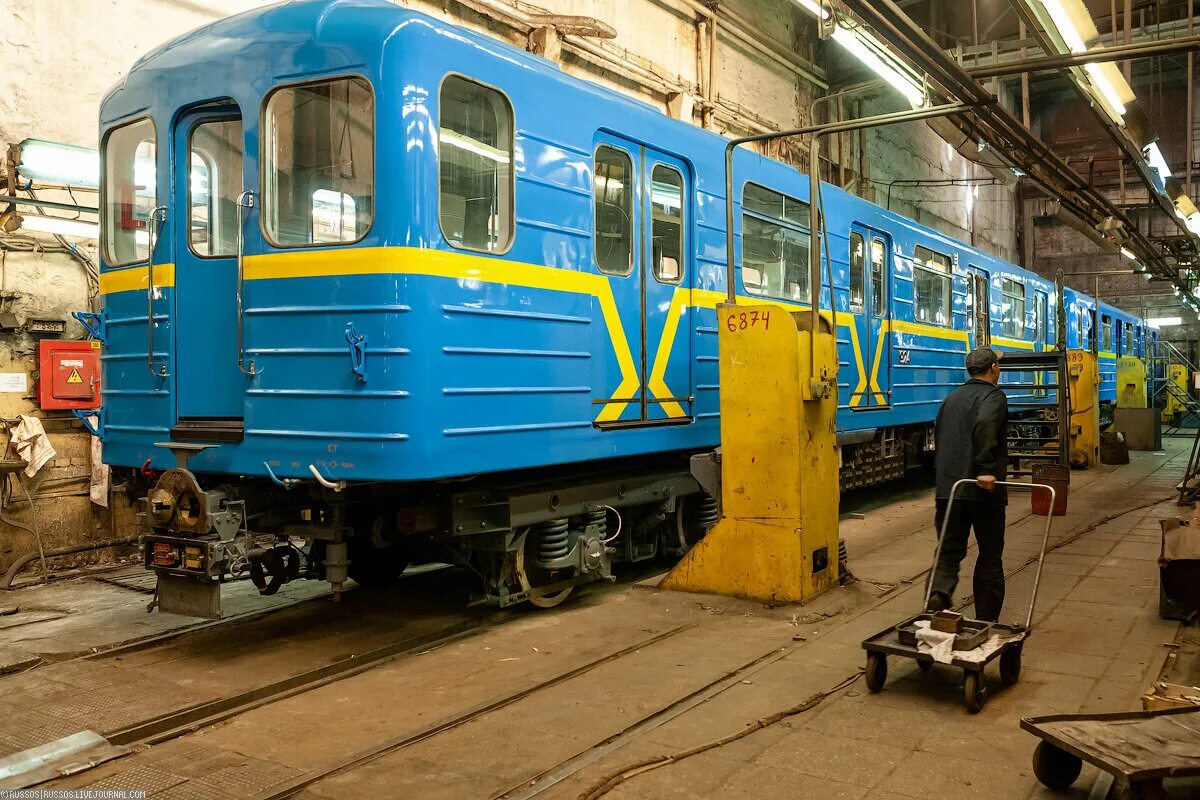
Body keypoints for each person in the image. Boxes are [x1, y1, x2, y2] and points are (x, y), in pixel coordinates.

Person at [928, 345, 1008, 622]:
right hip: (982, 490)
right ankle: (986, 621)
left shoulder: (950, 399)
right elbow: (985, 424)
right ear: (993, 369)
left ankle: (937, 597)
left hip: (948, 490)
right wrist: (986, 469)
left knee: (948, 552)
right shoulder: (994, 396)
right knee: (989, 554)